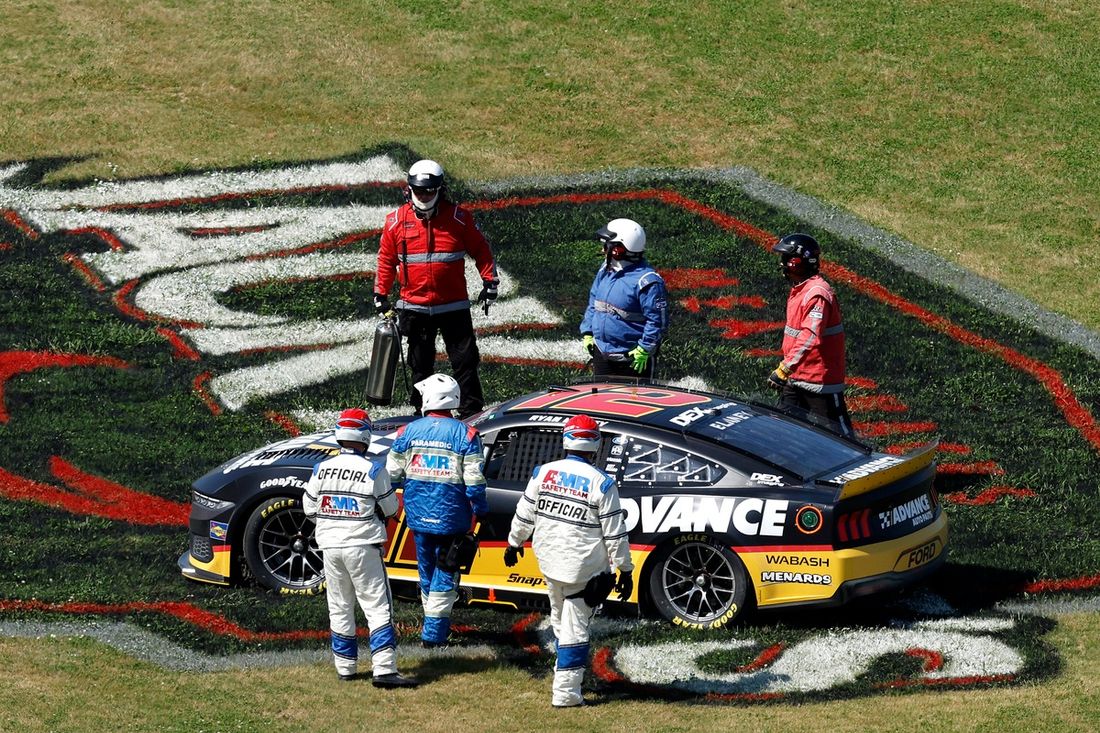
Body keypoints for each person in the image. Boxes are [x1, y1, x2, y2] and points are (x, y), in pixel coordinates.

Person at [503, 414, 634, 708]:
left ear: (567, 439)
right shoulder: (603, 484)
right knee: (576, 629)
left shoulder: (543, 472)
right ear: (596, 444)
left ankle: (566, 672)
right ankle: (566, 693)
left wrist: (513, 543)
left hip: (549, 563)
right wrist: (624, 570)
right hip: (583, 571)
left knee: (561, 621)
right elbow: (615, 534)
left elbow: (524, 514)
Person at [373, 159, 499, 419]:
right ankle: (422, 414)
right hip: (414, 306)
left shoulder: (459, 219)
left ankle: (471, 414)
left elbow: (481, 250)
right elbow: (386, 260)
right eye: (420, 191)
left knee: (465, 363)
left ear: (440, 190)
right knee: (420, 367)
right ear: (409, 190)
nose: (424, 196)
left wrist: (490, 281)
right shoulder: (395, 221)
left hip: (454, 305)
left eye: (430, 191)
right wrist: (381, 295)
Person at [302, 408, 418, 688]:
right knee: (377, 606)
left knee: (340, 606)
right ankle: (384, 669)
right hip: (363, 545)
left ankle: (346, 668)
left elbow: (308, 508)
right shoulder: (374, 470)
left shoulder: (321, 468)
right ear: (365, 435)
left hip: (329, 546)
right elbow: (391, 507)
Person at [385, 373, 489, 647]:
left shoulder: (407, 432)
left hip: (417, 517)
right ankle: (434, 634)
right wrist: (481, 511)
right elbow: (475, 483)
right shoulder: (466, 434)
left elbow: (392, 474)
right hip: (453, 519)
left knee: (426, 571)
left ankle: (433, 628)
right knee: (447, 572)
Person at [767, 233, 855, 439]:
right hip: (797, 377)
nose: (782, 264)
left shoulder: (816, 294)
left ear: (796, 263)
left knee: (841, 440)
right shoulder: (800, 290)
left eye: (786, 259)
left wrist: (784, 368)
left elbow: (810, 336)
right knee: (781, 431)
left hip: (819, 383)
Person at [580, 218, 668, 379]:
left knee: (635, 403)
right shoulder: (605, 270)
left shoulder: (647, 282)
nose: (603, 250)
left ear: (619, 249)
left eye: (607, 245)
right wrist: (588, 332)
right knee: (601, 401)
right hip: (602, 352)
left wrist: (645, 348)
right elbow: (594, 302)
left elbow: (657, 321)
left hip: (632, 358)